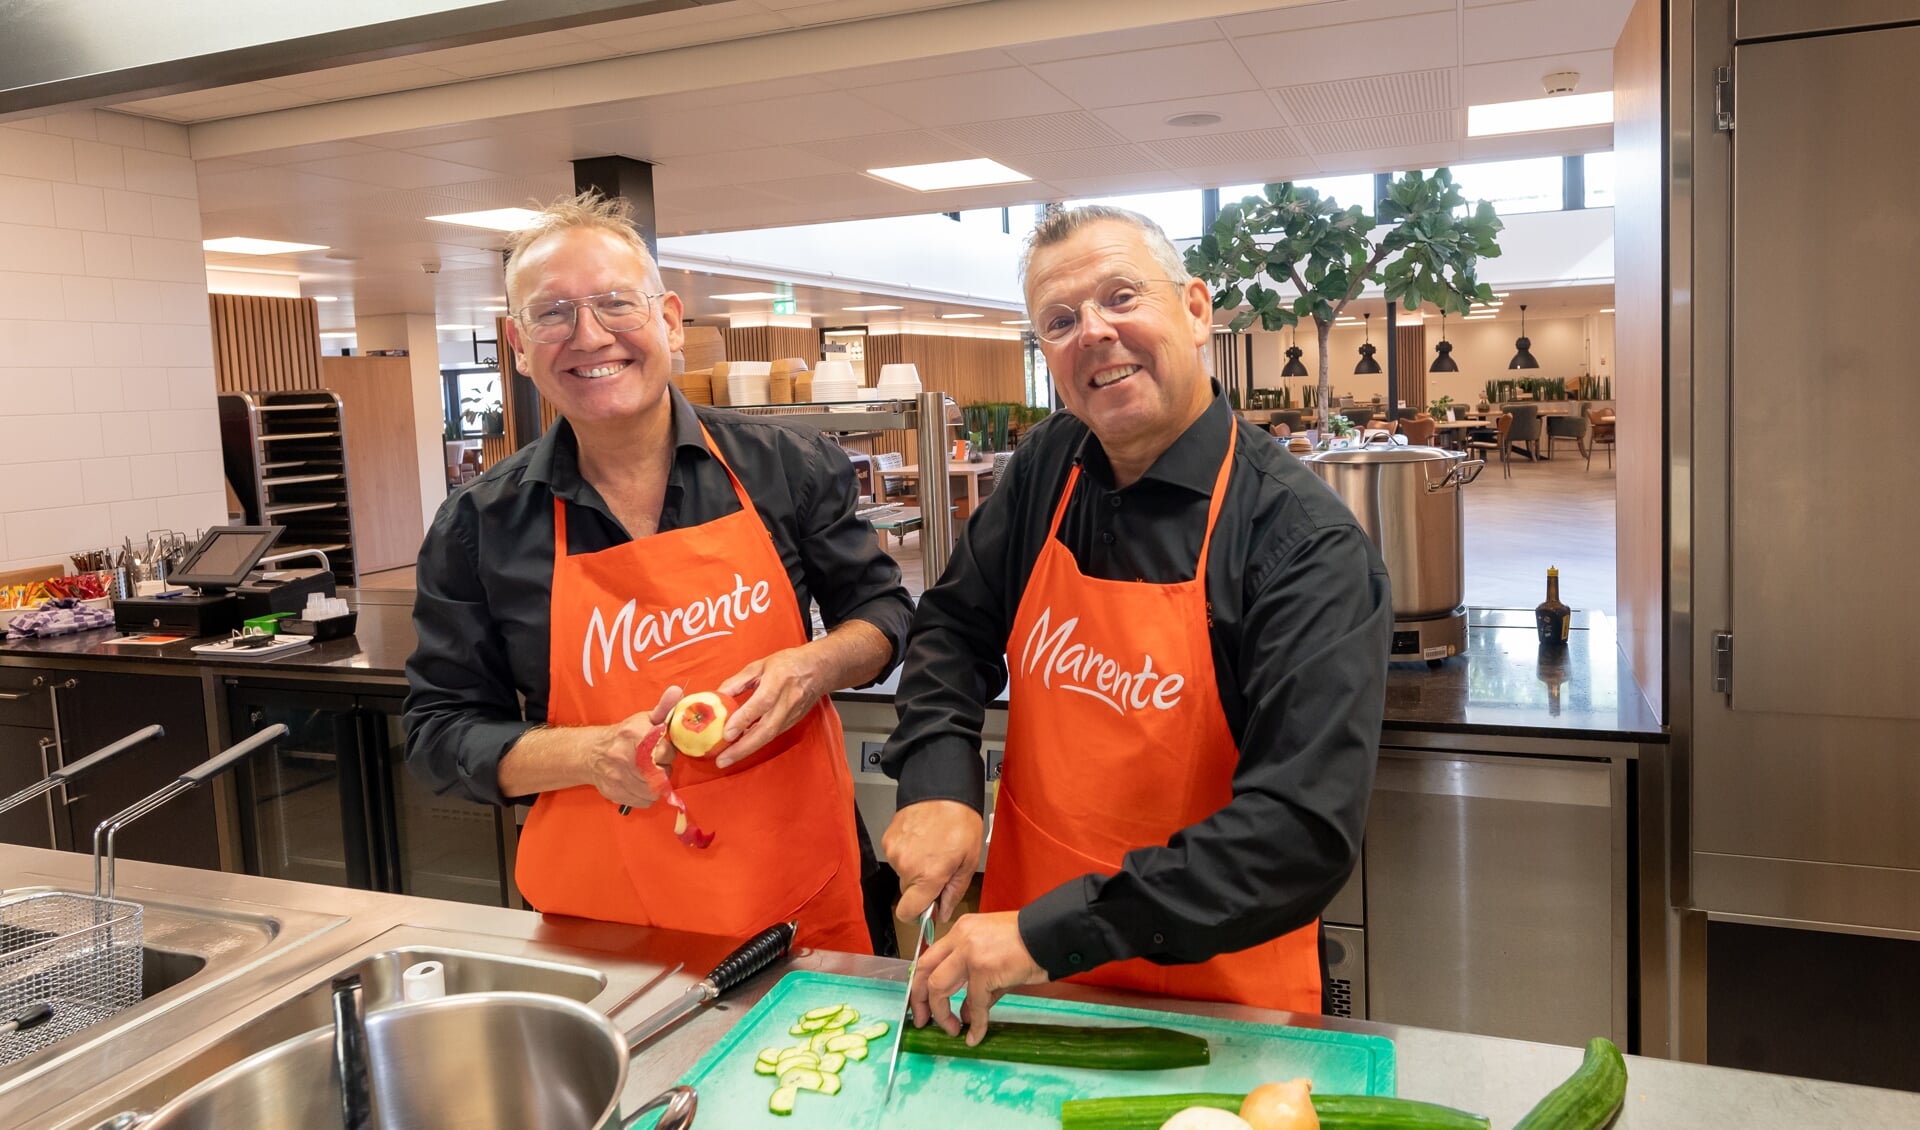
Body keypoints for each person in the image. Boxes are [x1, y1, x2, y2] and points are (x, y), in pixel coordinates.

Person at [880, 206, 1392, 1042]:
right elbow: (952, 625)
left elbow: (1297, 832)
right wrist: (940, 782)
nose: (1094, 333)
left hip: (1216, 1011)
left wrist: (1047, 935)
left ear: (1195, 311)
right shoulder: (1051, 466)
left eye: (1122, 297)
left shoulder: (1302, 545)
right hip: (1014, 988)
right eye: (1060, 321)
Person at [405, 191, 912, 952]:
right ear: (517, 342)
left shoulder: (787, 468)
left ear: (670, 320)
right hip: (606, 922)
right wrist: (587, 755)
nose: (589, 335)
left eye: (615, 303)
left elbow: (884, 614)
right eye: (552, 314)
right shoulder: (479, 526)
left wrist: (814, 665)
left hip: (801, 892)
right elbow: (439, 734)